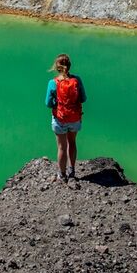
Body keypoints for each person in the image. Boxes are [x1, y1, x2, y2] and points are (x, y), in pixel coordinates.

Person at [45, 53, 87, 183]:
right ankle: (72, 171)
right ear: (69, 66)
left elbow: (48, 103)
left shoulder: (53, 83)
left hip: (60, 119)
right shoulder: (77, 80)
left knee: (61, 147)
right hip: (74, 118)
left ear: (57, 67)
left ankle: (62, 175)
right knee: (72, 143)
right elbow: (83, 98)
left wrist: (57, 104)